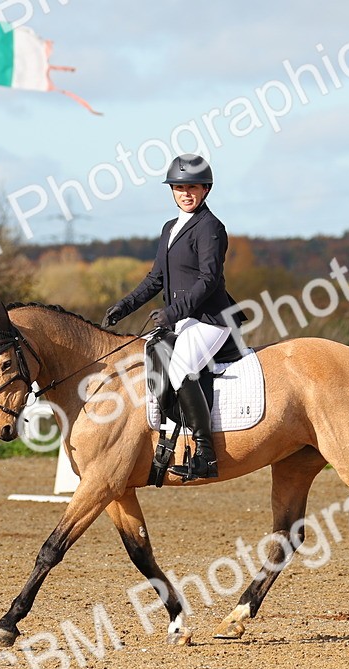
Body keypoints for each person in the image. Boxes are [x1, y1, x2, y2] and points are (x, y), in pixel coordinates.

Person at [103, 154, 246, 481]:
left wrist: (173, 312)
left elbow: (208, 280)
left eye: (192, 187)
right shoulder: (170, 228)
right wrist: (124, 306)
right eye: (179, 187)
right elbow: (156, 278)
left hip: (211, 320)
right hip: (182, 320)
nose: (185, 193)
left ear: (205, 189)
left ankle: (205, 454)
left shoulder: (211, 227)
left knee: (181, 365)